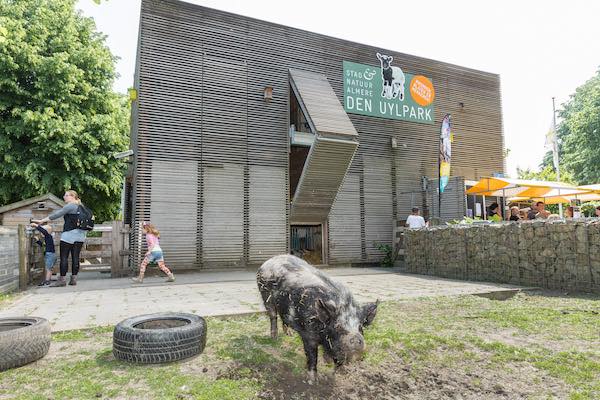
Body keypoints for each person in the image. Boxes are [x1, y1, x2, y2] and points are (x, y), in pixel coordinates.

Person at [32, 190, 87, 287]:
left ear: (72, 196)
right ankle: (74, 279)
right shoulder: (82, 206)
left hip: (69, 235)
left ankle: (62, 280)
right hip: (81, 236)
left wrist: (41, 221)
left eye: (66, 195)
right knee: (75, 257)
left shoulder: (70, 205)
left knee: (64, 257)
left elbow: (57, 215)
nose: (64, 197)